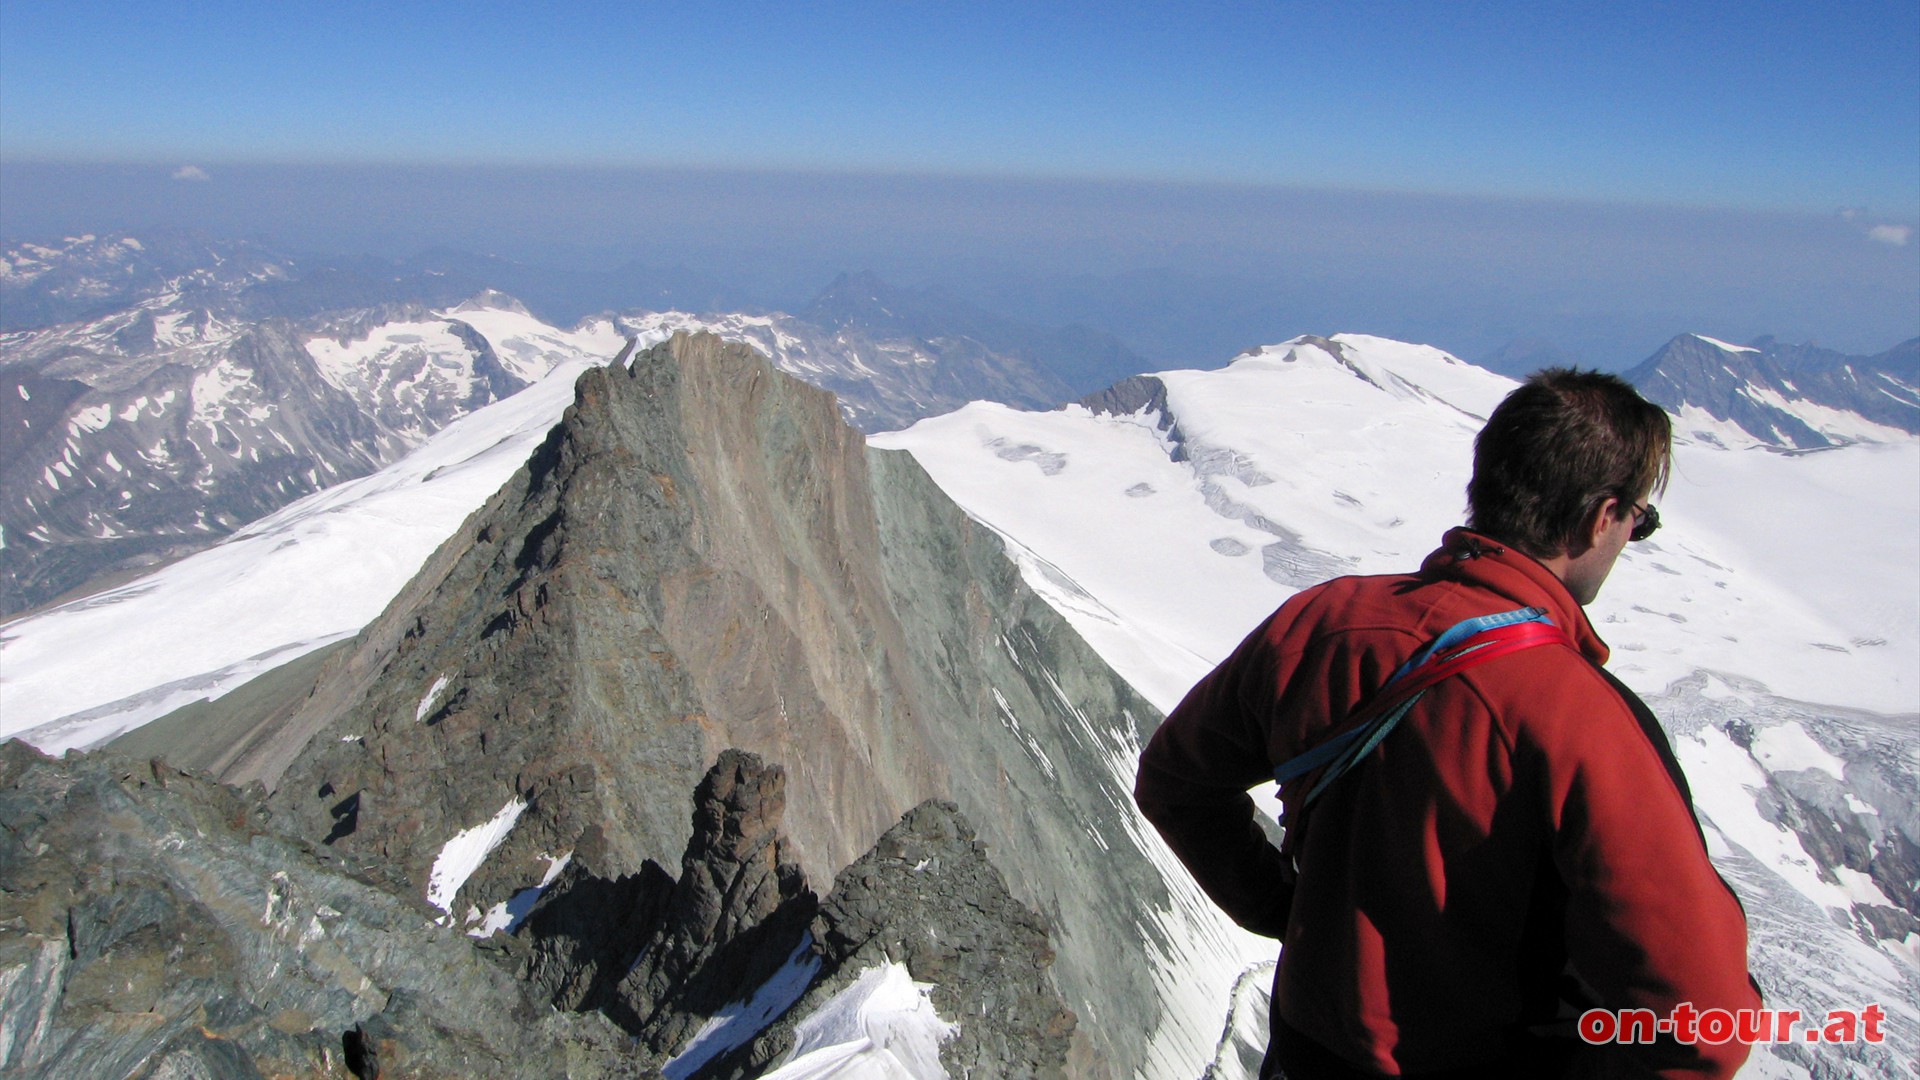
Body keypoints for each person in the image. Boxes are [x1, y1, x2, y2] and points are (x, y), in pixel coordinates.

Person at [1134, 369, 1759, 1079]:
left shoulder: (1323, 623)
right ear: (1599, 518)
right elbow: (1707, 1021)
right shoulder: (1584, 718)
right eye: (1637, 522)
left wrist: (1290, 909)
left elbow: (1177, 783)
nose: (1628, 538)